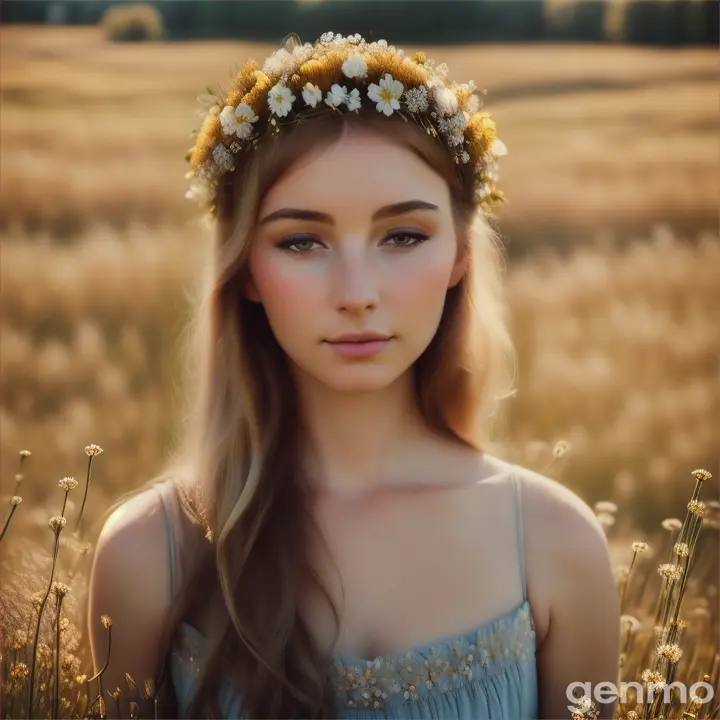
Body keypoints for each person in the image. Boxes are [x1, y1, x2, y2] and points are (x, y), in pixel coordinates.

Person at [87, 31, 620, 720]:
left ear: (460, 254)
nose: (357, 291)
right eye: (301, 240)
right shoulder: (147, 555)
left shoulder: (555, 544)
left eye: (403, 236)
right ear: (247, 268)